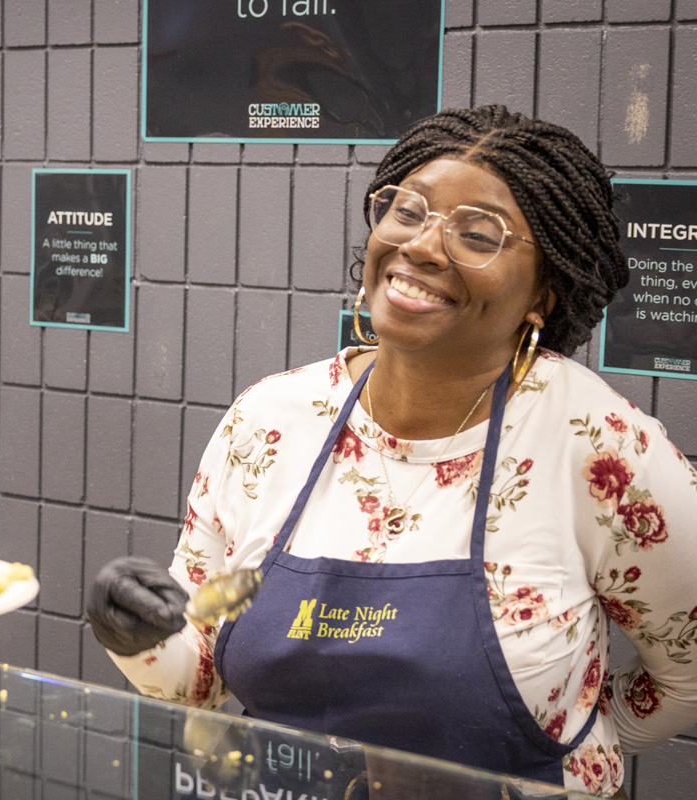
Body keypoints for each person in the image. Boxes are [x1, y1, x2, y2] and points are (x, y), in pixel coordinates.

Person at [87, 105, 697, 797]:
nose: (424, 246)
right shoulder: (269, 423)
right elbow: (200, 678)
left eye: (478, 233)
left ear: (543, 293)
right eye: (407, 211)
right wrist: (139, 636)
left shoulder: (596, 446)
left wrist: (572, 734)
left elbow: (689, 675)